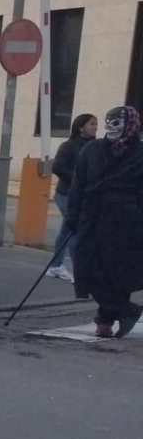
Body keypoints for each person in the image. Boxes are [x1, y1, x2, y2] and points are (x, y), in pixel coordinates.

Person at [67, 105, 143, 338]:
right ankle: (125, 310)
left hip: (127, 221)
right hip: (93, 216)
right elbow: (77, 185)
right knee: (86, 266)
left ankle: (105, 321)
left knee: (118, 272)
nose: (110, 128)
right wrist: (72, 217)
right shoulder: (92, 149)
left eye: (116, 123)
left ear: (131, 125)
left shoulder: (140, 153)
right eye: (107, 122)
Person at [48, 113, 97, 282]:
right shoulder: (69, 146)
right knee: (75, 230)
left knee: (66, 230)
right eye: (92, 124)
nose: (95, 127)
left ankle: (55, 266)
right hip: (66, 194)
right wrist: (78, 180)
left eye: (96, 124)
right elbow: (57, 167)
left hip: (84, 195)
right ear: (81, 127)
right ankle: (79, 271)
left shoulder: (95, 146)